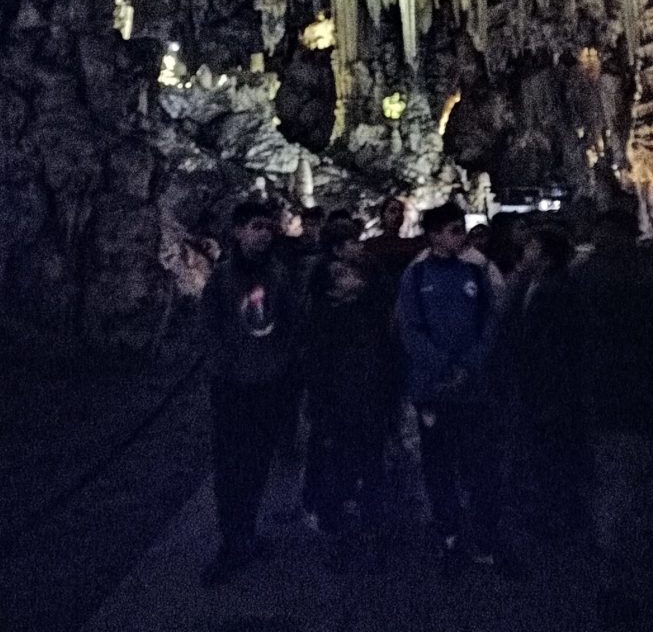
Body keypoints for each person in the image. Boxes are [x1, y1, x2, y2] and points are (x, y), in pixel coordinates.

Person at [200, 200, 306, 585]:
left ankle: (245, 531)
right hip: (231, 387)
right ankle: (233, 539)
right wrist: (223, 365)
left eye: (267, 227)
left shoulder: (278, 274)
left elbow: (293, 322)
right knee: (231, 467)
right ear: (238, 231)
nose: (262, 234)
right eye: (255, 226)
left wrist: (281, 363)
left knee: (258, 463)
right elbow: (209, 326)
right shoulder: (222, 277)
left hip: (268, 384)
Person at [398, 201, 500, 565]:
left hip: (472, 388)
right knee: (438, 465)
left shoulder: (475, 272)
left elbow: (491, 321)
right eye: (454, 230)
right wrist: (444, 366)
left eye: (461, 229)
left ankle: (484, 533)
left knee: (478, 463)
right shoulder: (416, 276)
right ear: (434, 236)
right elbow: (409, 328)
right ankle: (450, 533)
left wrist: (469, 364)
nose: (462, 237)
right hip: (434, 389)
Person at [304, 219, 392, 551]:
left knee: (367, 458)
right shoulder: (325, 319)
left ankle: (367, 515)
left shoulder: (363, 303)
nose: (353, 277)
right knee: (339, 460)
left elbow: (382, 294)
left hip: (366, 395)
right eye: (352, 243)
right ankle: (333, 517)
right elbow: (318, 365)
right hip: (340, 400)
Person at [511, 225, 584, 537]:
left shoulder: (555, 290)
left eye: (531, 248)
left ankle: (559, 516)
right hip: (541, 384)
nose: (525, 253)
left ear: (544, 256)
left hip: (551, 386)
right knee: (547, 453)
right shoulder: (534, 285)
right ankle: (553, 513)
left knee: (554, 453)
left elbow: (554, 344)